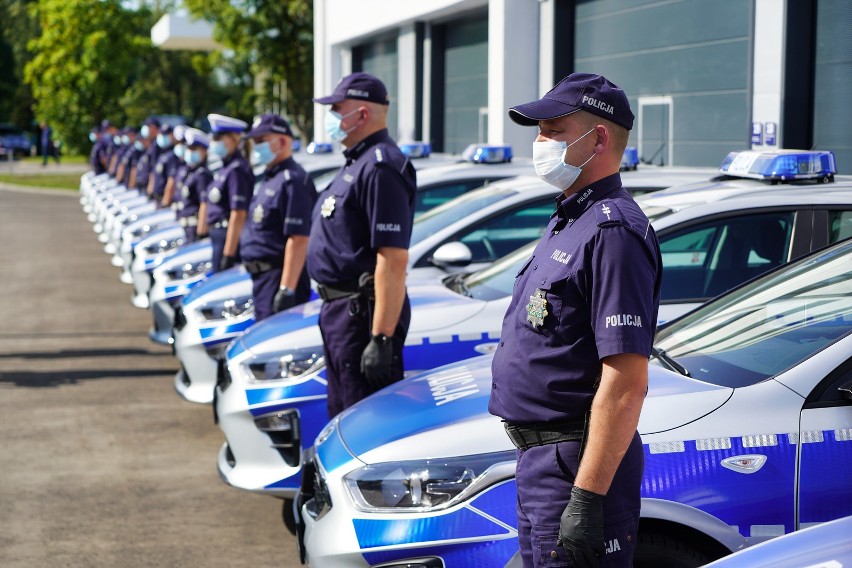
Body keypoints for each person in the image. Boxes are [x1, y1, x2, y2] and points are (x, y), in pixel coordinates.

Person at [488, 73, 662, 568]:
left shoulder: (613, 231)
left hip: (574, 468)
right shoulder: (572, 217)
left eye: (555, 130)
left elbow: (626, 381)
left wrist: (586, 498)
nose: (541, 143)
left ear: (600, 138)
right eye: (540, 131)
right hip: (542, 464)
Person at [307, 72, 417, 417]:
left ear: (363, 114)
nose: (332, 118)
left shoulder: (381, 166)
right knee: (342, 413)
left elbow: (392, 258)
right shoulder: (359, 161)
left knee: (363, 418)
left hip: (361, 317)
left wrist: (381, 338)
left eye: (338, 109)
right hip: (341, 313)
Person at [239, 113, 317, 321]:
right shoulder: (271, 178)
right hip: (264, 279)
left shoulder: (292, 180)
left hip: (278, 278)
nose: (256, 147)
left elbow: (299, 239)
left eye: (261, 141)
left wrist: (287, 289)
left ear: (282, 141)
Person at [204, 113, 254, 273]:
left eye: (218, 138)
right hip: (219, 236)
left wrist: (229, 253)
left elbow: (238, 214)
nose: (214, 142)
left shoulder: (237, 169)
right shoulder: (226, 167)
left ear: (233, 139)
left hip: (228, 238)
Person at [174, 127, 212, 243]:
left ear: (204, 151)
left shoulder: (203, 174)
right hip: (185, 224)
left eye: (194, 149)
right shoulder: (191, 172)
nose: (190, 152)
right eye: (189, 148)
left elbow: (204, 203)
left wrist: (201, 229)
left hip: (195, 227)